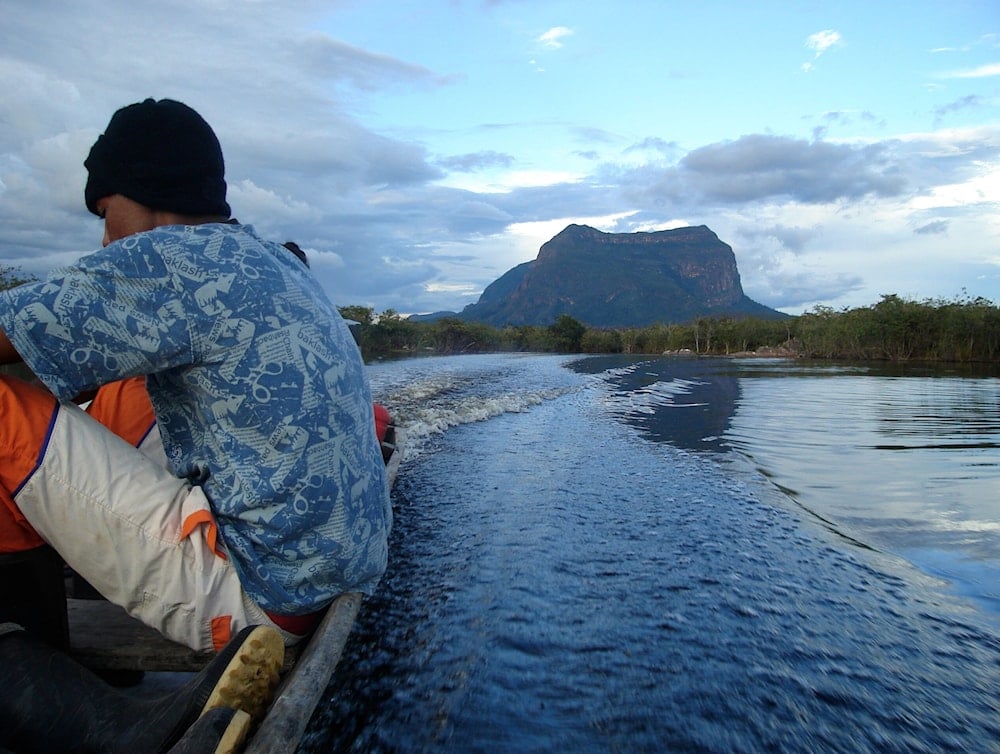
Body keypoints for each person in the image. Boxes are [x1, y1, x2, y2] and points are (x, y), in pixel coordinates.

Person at [0, 99, 391, 653]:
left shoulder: (166, 259)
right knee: (127, 387)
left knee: (1, 416)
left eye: (106, 213)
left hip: (260, 599)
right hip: (333, 573)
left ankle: (30, 659)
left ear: (147, 198)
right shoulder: (268, 257)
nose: (107, 240)